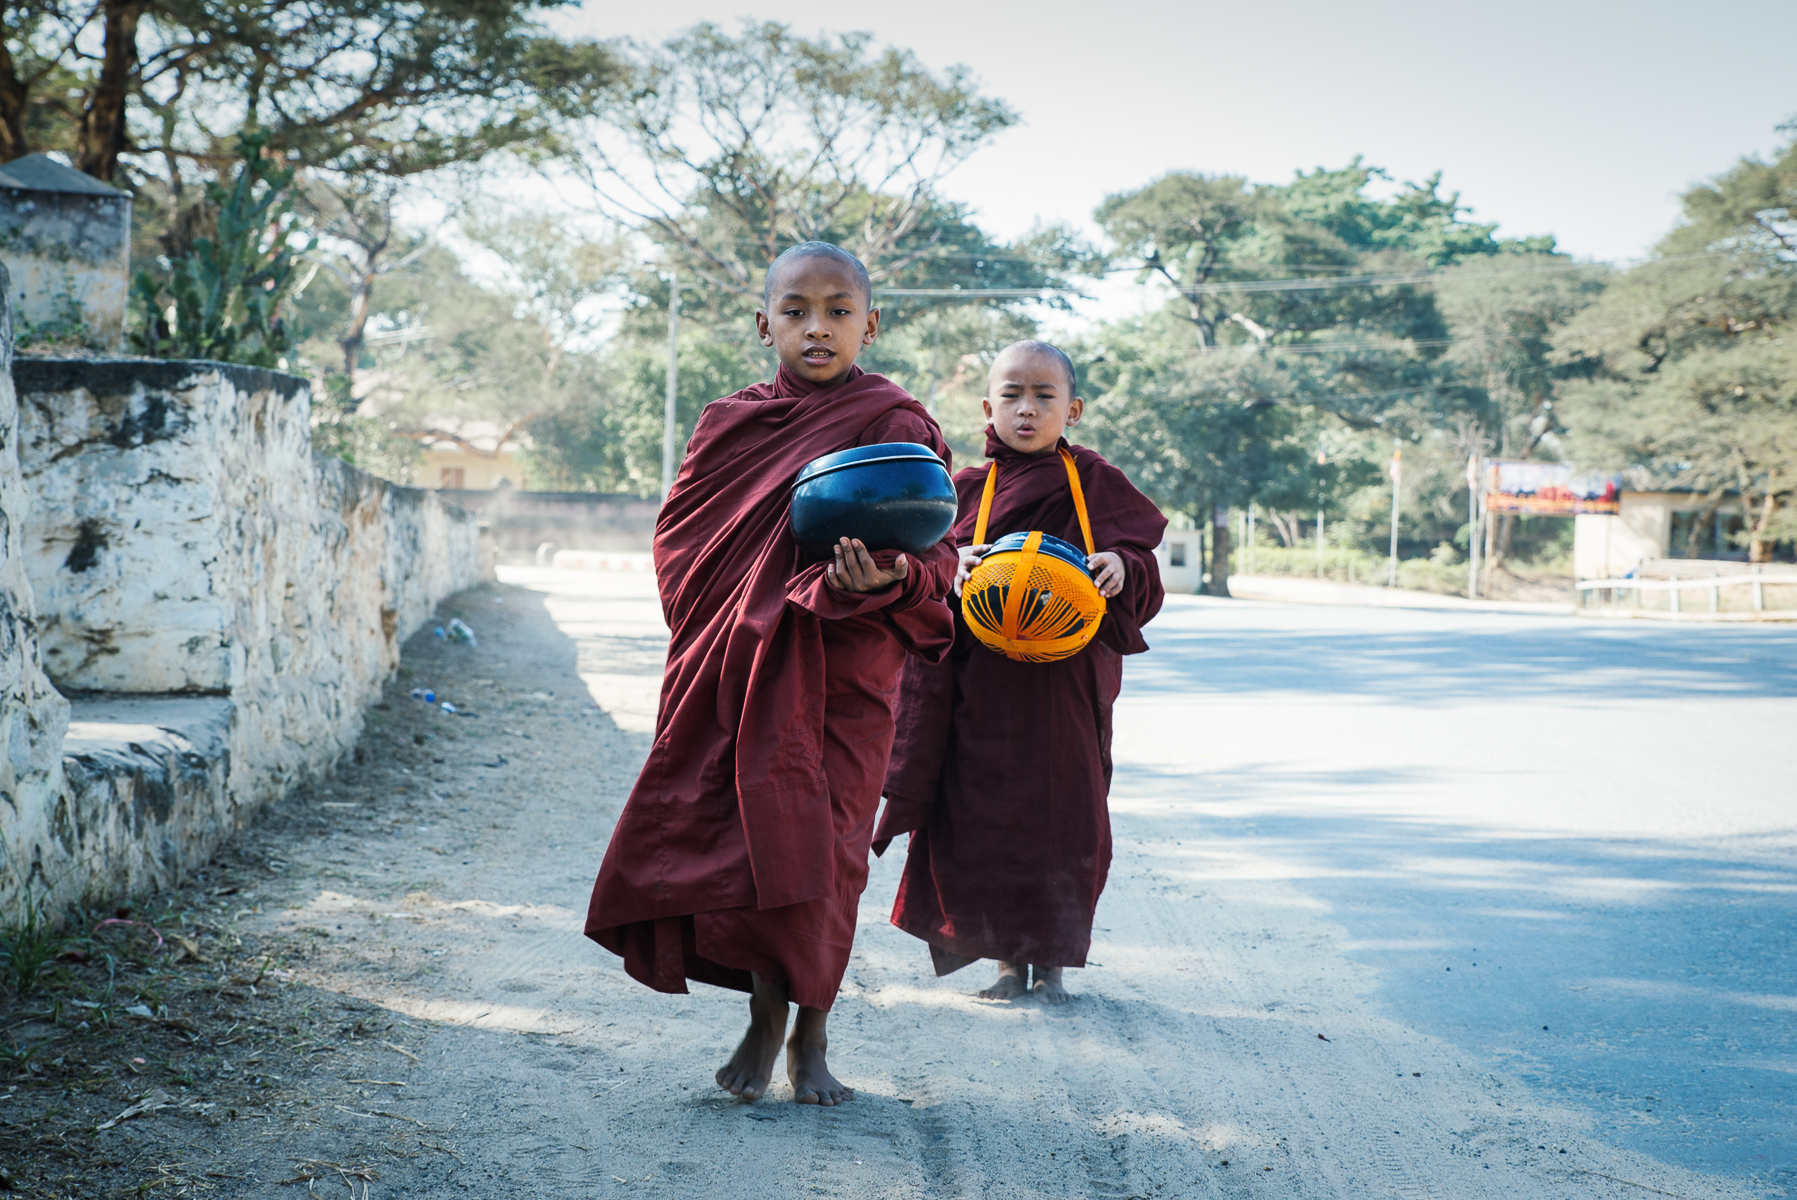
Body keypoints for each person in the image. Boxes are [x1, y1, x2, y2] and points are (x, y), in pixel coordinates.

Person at [585, 242, 958, 1104]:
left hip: (845, 675)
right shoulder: (728, 424)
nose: (817, 327)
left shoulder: (896, 421)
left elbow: (940, 556)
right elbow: (683, 546)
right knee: (756, 848)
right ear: (764, 324)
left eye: (838, 310)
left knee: (827, 858)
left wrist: (891, 580)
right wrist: (752, 610)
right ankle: (762, 1017)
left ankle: (813, 1033)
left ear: (873, 322)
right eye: (795, 311)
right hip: (746, 665)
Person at [873, 340, 1167, 1003]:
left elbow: (1141, 563)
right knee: (980, 817)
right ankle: (1006, 963)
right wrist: (959, 561)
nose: (1026, 410)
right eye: (1011, 396)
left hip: (1063, 689)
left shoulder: (1095, 484)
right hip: (981, 689)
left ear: (1074, 409)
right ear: (987, 406)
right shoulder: (962, 490)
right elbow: (925, 568)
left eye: (1043, 397)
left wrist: (1124, 566)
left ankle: (1053, 964)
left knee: (1064, 818)